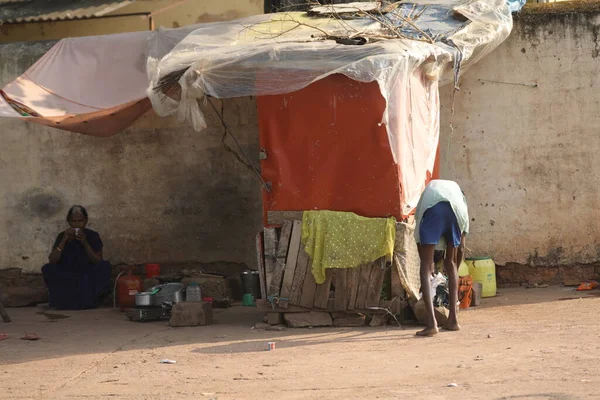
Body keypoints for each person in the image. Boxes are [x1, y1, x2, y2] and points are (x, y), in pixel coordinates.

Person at [414, 180, 469, 337]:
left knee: (425, 266)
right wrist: (452, 273)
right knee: (450, 263)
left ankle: (432, 324)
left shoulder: (428, 193)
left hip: (433, 209)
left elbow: (419, 239)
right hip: (455, 213)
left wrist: (429, 269)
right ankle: (453, 321)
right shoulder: (461, 201)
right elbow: (462, 248)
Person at [42, 206, 111, 310]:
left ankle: (90, 300)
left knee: (105, 266)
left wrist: (85, 243)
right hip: (67, 271)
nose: (77, 224)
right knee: (48, 268)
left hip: (87, 271)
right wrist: (63, 241)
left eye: (80, 221)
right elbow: (52, 260)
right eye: (74, 221)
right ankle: (62, 302)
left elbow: (98, 261)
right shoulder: (62, 236)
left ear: (86, 221)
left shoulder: (93, 236)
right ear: (69, 222)